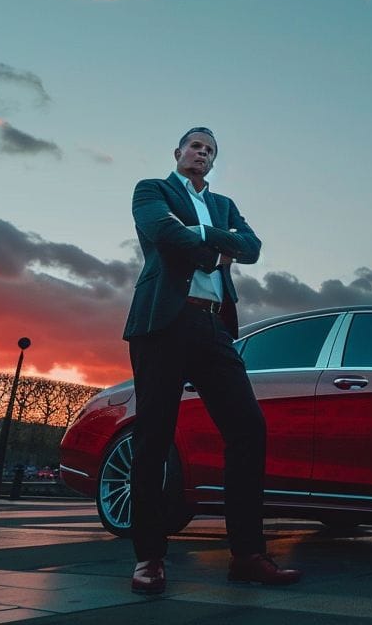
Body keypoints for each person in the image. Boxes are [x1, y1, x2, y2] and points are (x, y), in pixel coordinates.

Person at [123, 127, 301, 594]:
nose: (202, 153)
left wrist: (200, 233)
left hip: (213, 326)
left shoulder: (223, 204)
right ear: (178, 152)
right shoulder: (152, 190)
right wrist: (216, 253)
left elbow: (254, 247)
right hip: (162, 322)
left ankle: (246, 554)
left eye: (210, 150)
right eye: (196, 146)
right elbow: (161, 231)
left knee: (248, 429)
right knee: (154, 437)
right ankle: (149, 557)